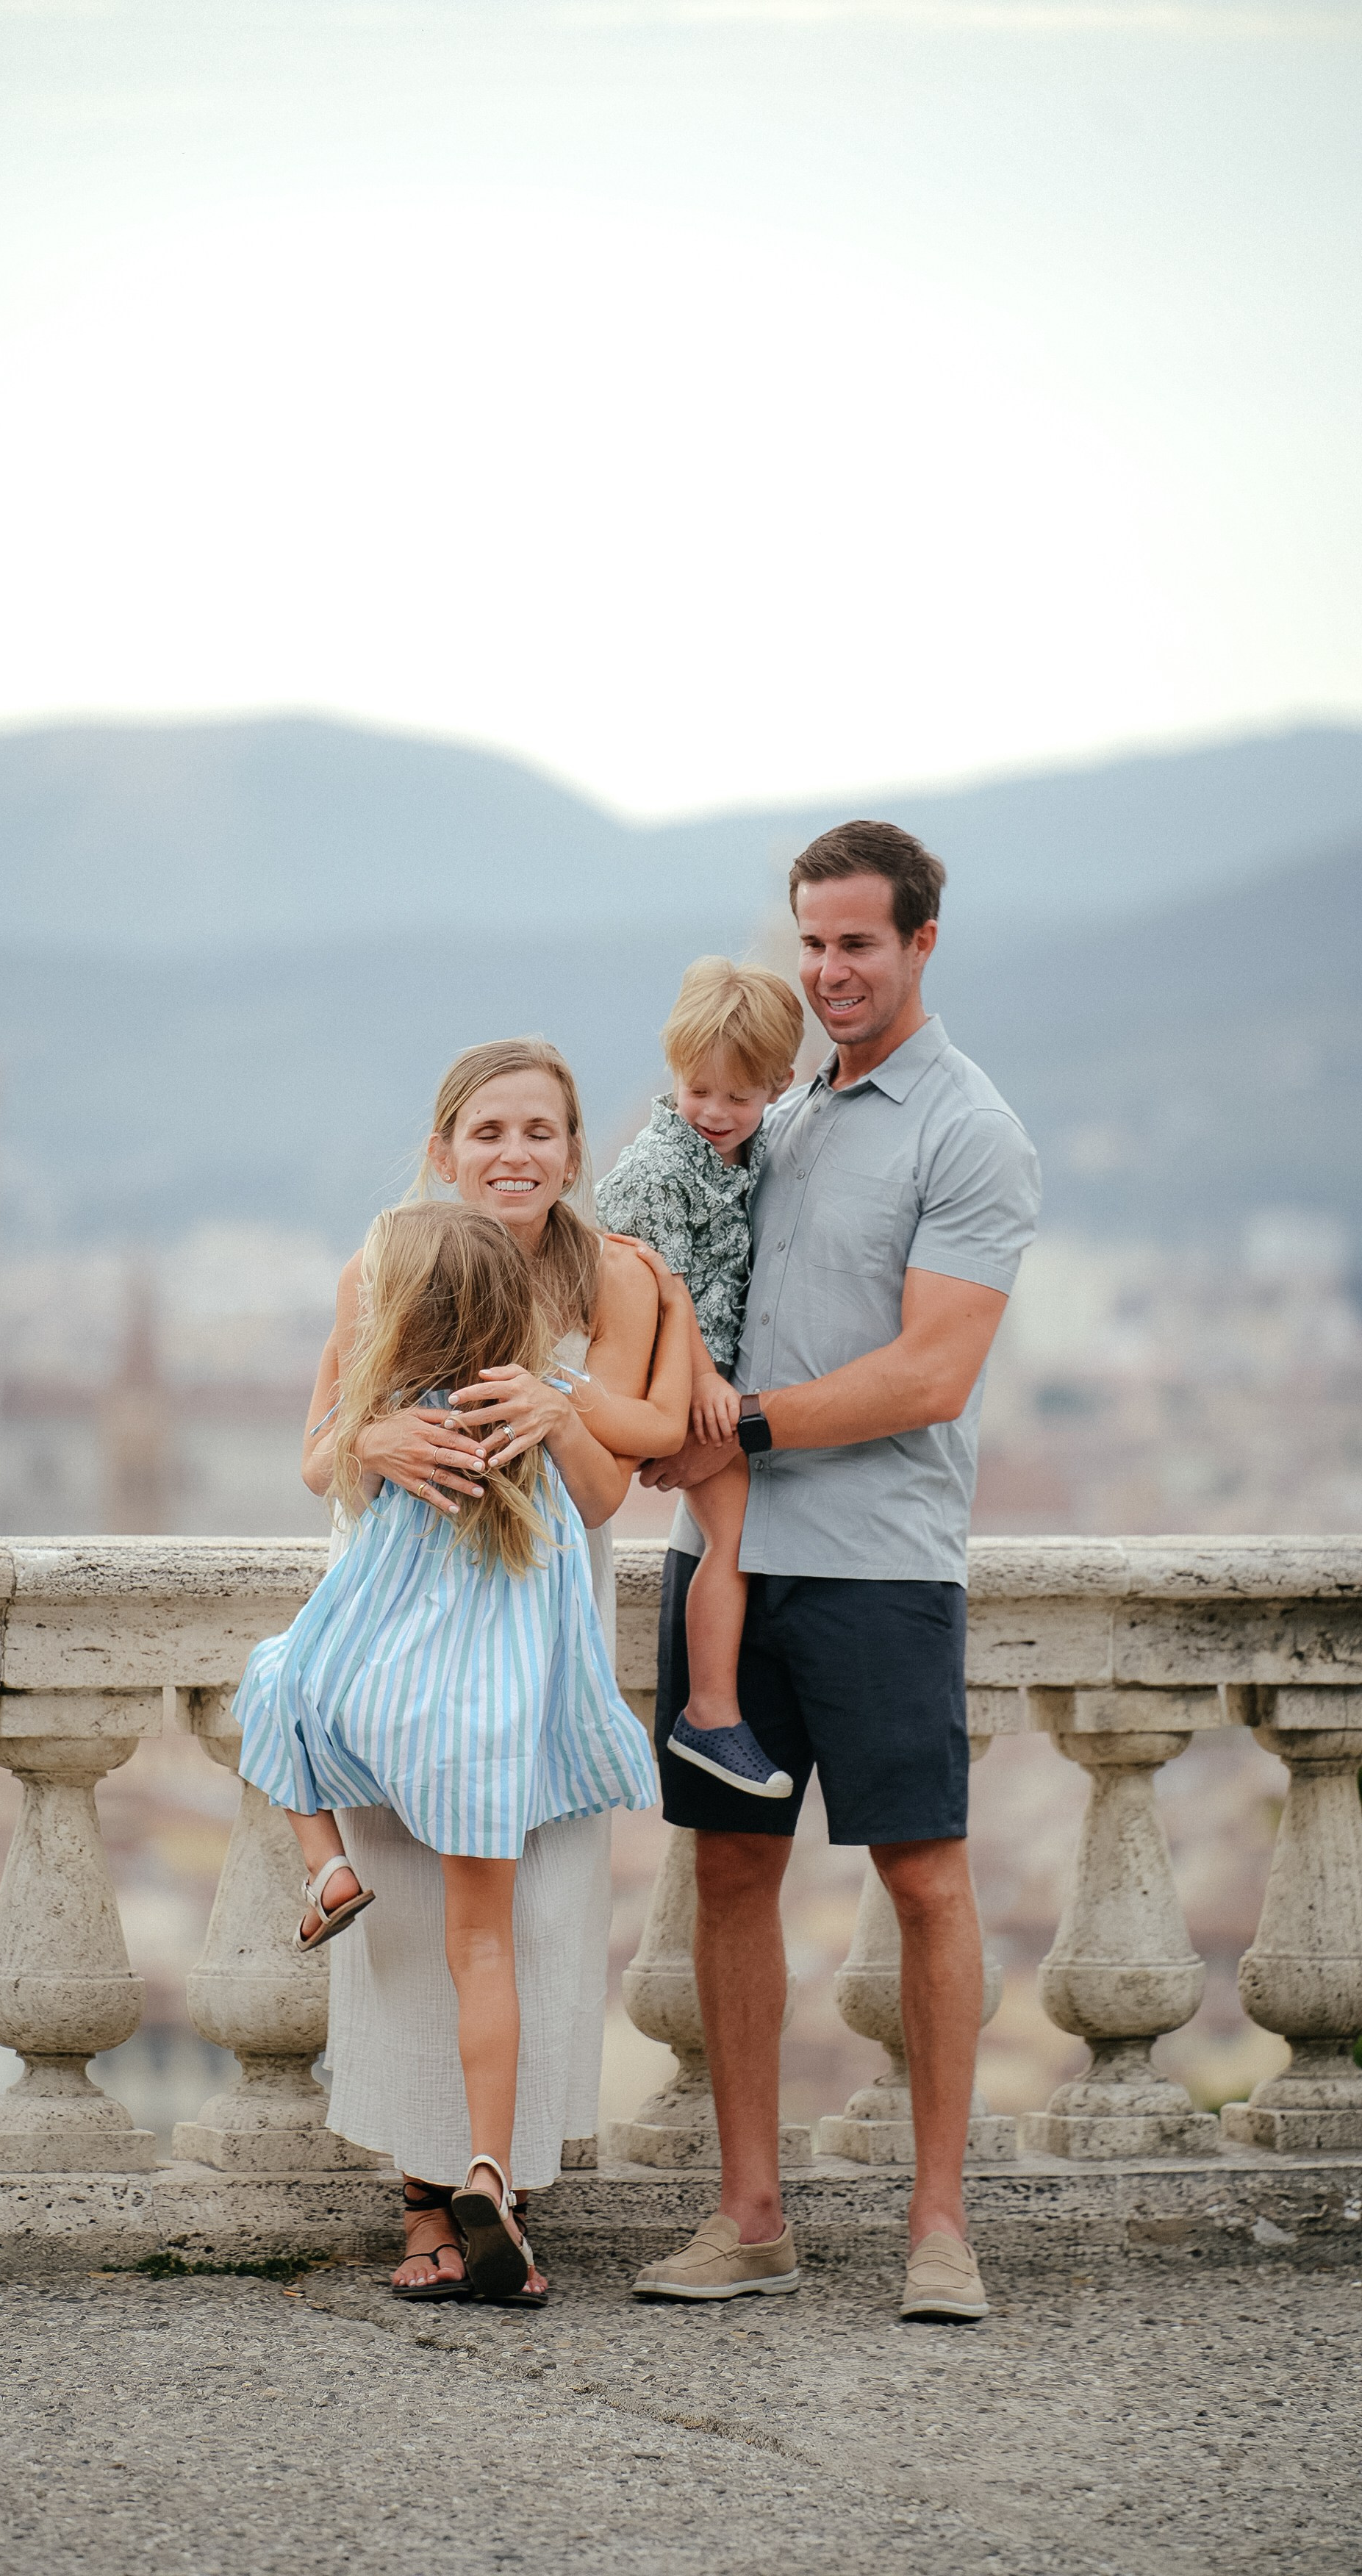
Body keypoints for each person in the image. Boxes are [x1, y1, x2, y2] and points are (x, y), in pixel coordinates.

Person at [630, 820, 1040, 2325]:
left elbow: (933, 1372)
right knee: (729, 1870)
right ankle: (751, 2215)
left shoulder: (970, 1130)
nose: (828, 970)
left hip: (877, 1566)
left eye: (856, 943)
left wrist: (739, 1422)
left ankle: (940, 2228)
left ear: (922, 939)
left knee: (923, 1880)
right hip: (730, 1560)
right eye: (811, 942)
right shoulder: (773, 1109)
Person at [293, 1039, 691, 2301]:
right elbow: (317, 1454)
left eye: (539, 1131)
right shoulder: (383, 1262)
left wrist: (559, 1411)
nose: (514, 1153)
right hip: (398, 1624)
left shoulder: (609, 1276)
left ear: (573, 1153)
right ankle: (425, 2198)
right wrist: (374, 1439)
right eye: (489, 1131)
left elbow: (608, 1492)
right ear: (444, 1149)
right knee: (414, 1919)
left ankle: (499, 2190)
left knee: (536, 1920)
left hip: (536, 1637)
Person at [596, 956, 804, 1797]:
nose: (714, 1112)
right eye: (697, 1091)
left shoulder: (739, 1153)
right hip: (666, 1378)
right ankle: (709, 1712)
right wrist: (706, 1389)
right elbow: (661, 1290)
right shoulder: (658, 1170)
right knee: (737, 1538)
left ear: (778, 1087)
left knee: (740, 1535)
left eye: (738, 1097)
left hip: (690, 1377)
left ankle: (713, 1709)